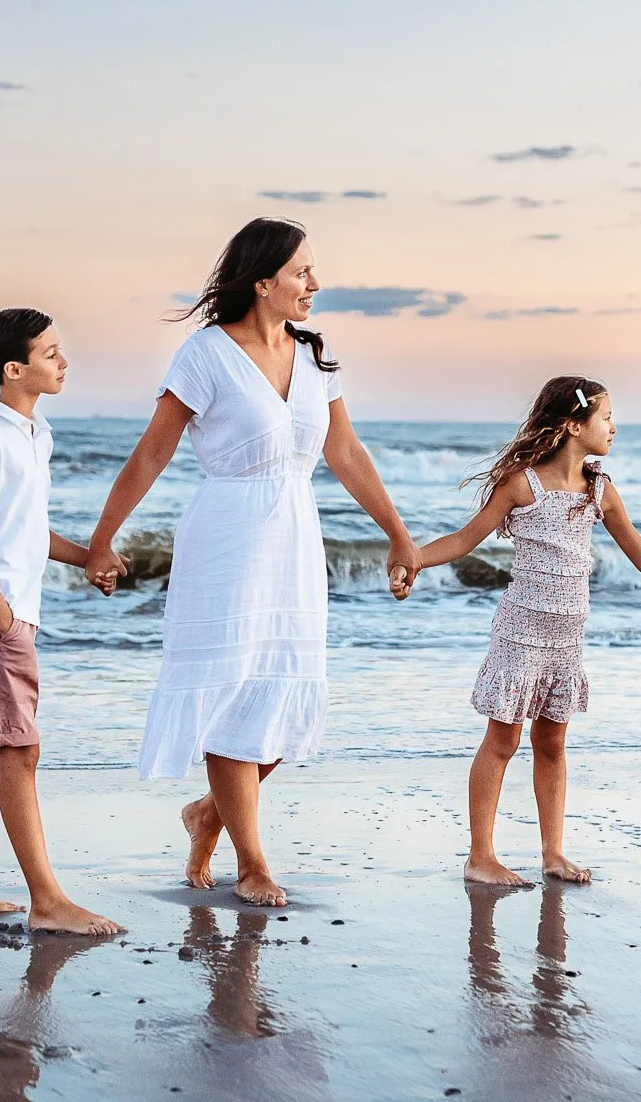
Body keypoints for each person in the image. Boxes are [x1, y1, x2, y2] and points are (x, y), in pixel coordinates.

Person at [84, 218, 417, 907]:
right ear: (262, 281)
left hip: (296, 540)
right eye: (301, 272)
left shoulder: (316, 357)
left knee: (285, 687)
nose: (314, 285)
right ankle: (252, 860)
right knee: (232, 692)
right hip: (227, 541)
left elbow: (346, 454)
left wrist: (398, 532)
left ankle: (210, 812)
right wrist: (102, 539)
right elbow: (153, 451)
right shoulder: (204, 355)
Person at [414, 377, 641, 886]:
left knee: (552, 744)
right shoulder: (525, 485)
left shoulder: (600, 490)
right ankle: (480, 855)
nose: (614, 426)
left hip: (567, 643)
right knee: (502, 742)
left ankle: (553, 853)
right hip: (520, 635)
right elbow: (466, 538)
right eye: (606, 417)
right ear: (573, 426)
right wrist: (413, 559)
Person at [0, 308, 124, 934]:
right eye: (49, 354)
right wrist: (5, 622)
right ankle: (47, 901)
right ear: (14, 370)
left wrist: (89, 557)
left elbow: (26, 532)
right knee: (20, 750)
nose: (63, 362)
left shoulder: (36, 435)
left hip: (7, 621)